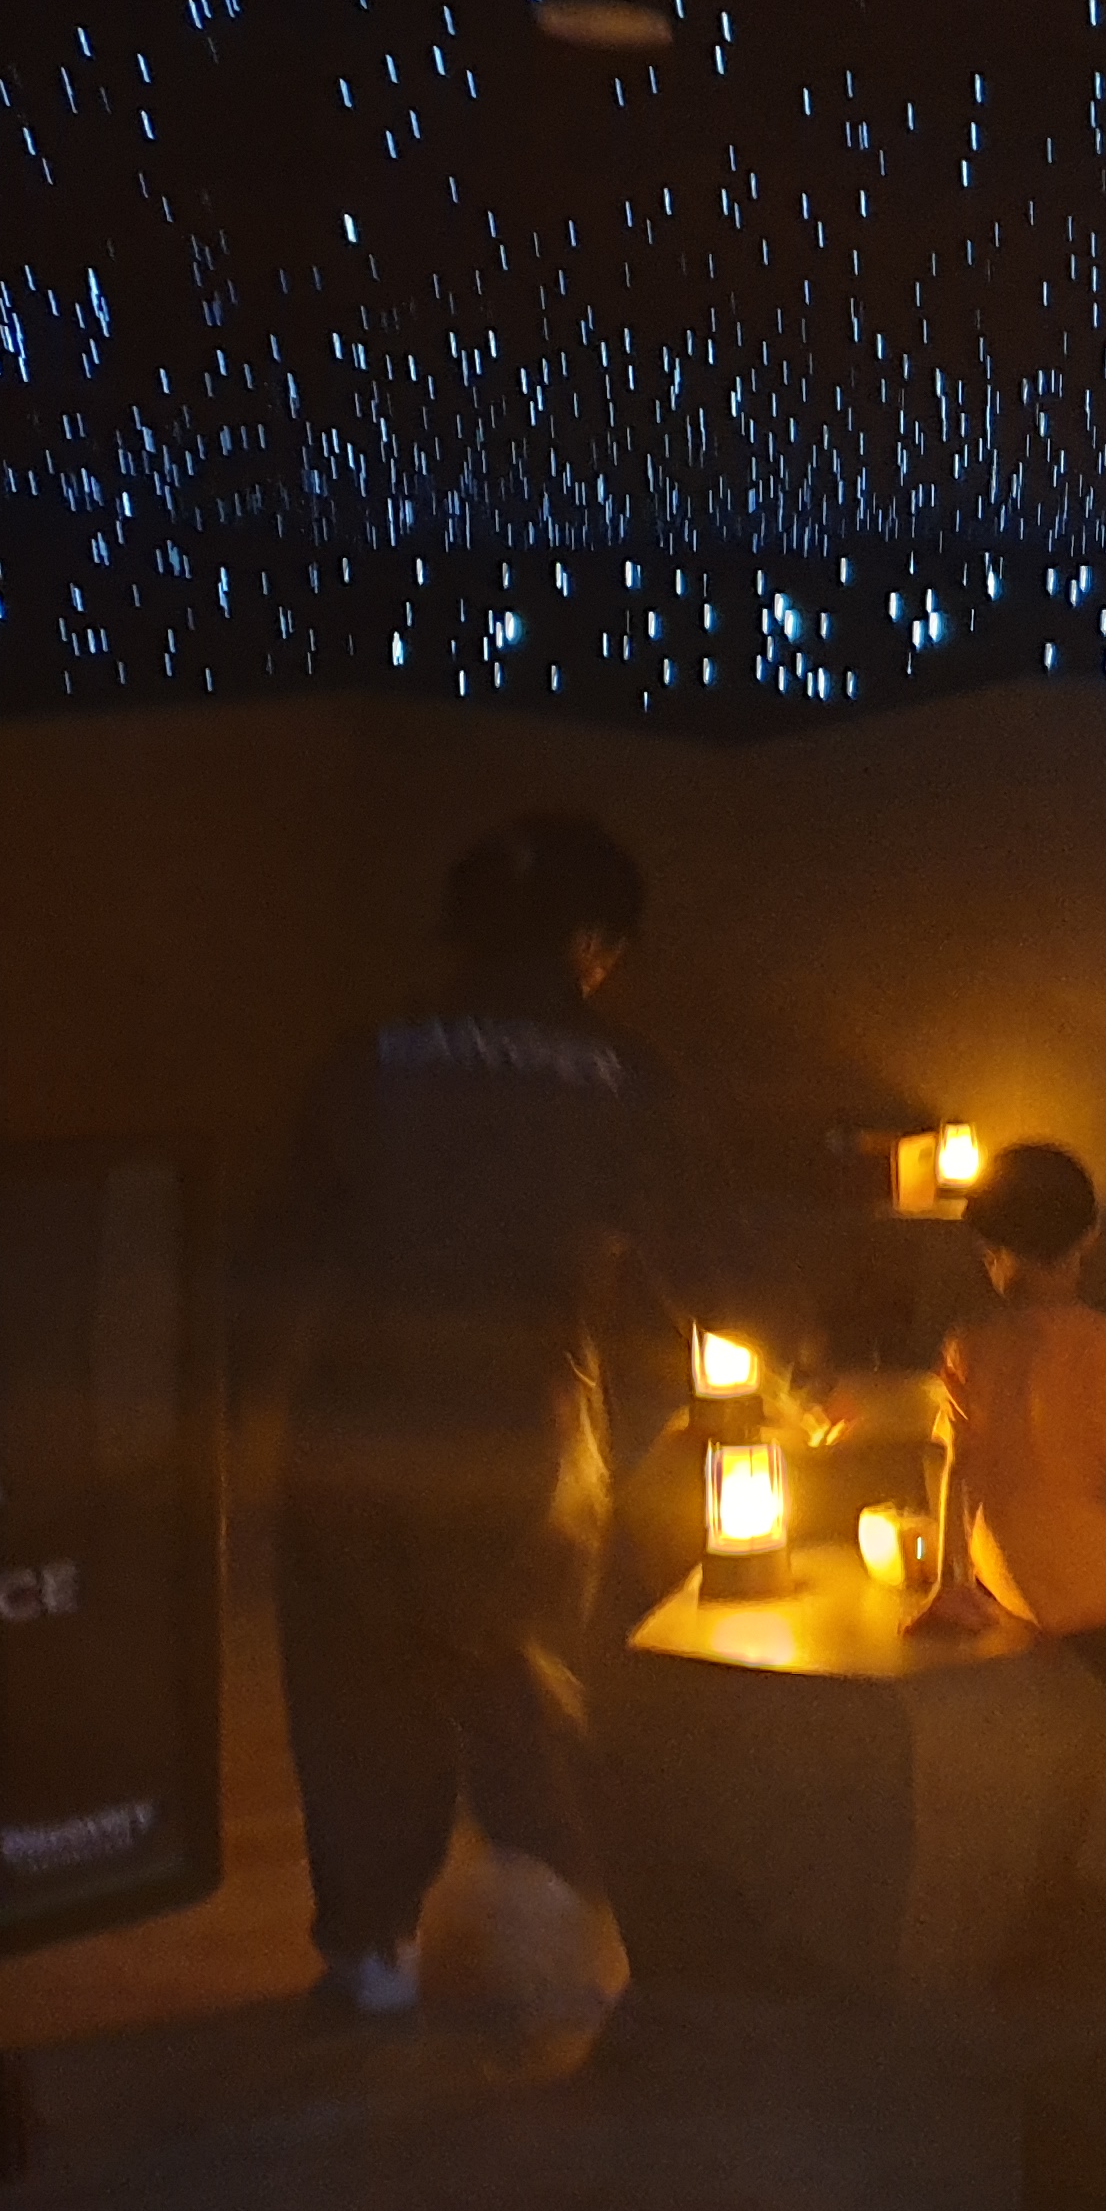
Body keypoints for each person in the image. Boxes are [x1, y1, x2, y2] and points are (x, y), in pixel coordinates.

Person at [256, 811, 747, 2064]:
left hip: (350, 1427)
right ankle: (557, 1934)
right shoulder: (625, 1077)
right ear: (590, 943)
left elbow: (282, 1252)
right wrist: (783, 1369)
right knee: (520, 1671)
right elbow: (706, 1262)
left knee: (359, 1688)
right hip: (520, 1432)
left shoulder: (366, 1059)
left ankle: (371, 1955)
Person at [909, 1141, 1106, 1933]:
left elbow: (954, 1471)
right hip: (1079, 1588)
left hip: (1002, 1573)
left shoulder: (968, 1343)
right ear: (1089, 1238)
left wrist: (952, 1578)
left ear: (990, 1252)